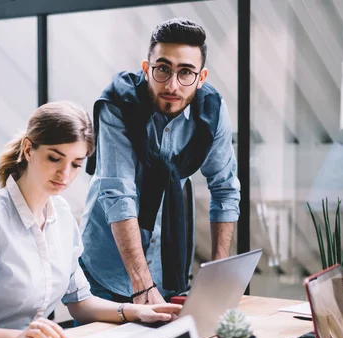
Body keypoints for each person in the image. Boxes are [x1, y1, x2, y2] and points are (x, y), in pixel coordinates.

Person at [0, 101, 182, 338]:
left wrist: (135, 311)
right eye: (54, 158)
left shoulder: (61, 214)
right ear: (28, 149)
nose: (65, 174)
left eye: (76, 164)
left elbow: (80, 302)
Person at [80, 18, 241, 306]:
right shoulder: (118, 105)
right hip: (107, 270)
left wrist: (219, 276)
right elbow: (119, 194)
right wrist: (142, 286)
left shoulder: (212, 112)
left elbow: (225, 190)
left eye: (186, 73)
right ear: (146, 69)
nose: (172, 85)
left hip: (168, 269)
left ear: (201, 78)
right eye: (163, 69)